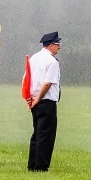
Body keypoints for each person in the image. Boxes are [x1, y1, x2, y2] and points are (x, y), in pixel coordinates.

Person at [26, 31, 62, 172]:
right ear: (51, 45)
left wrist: (30, 99)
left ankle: (32, 164)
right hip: (45, 102)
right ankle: (41, 166)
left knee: (37, 133)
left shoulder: (33, 58)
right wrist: (38, 99)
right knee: (46, 135)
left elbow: (26, 79)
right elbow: (47, 84)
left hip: (34, 100)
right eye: (57, 44)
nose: (59, 47)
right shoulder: (52, 61)